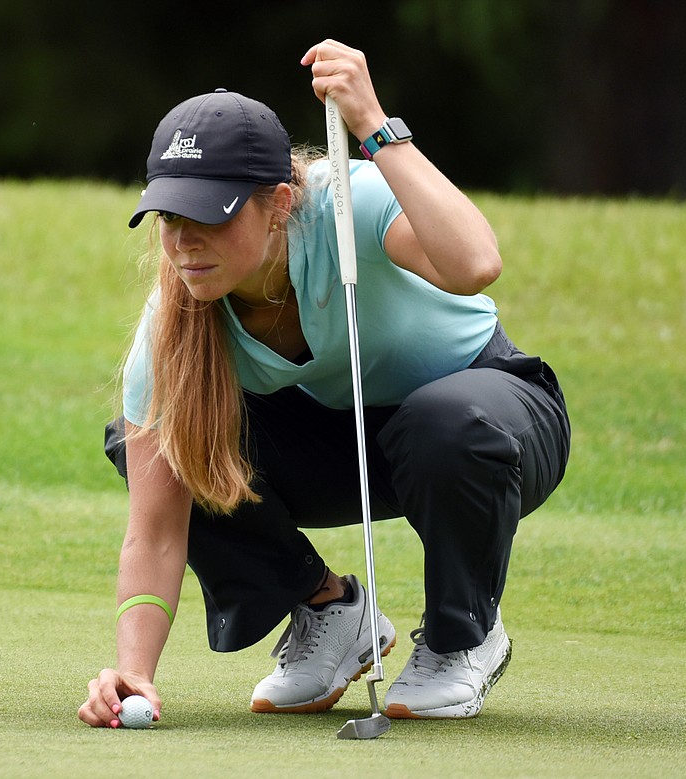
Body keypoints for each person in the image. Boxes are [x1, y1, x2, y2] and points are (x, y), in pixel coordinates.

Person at [79, 39, 570, 728]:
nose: (186, 241)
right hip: (353, 446)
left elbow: (476, 263)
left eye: (210, 216)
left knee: (443, 420)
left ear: (278, 202)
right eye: (170, 218)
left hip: (493, 420)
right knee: (158, 440)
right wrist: (133, 668)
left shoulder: (352, 204)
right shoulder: (174, 326)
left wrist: (374, 123)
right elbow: (156, 533)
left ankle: (464, 637)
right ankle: (330, 611)